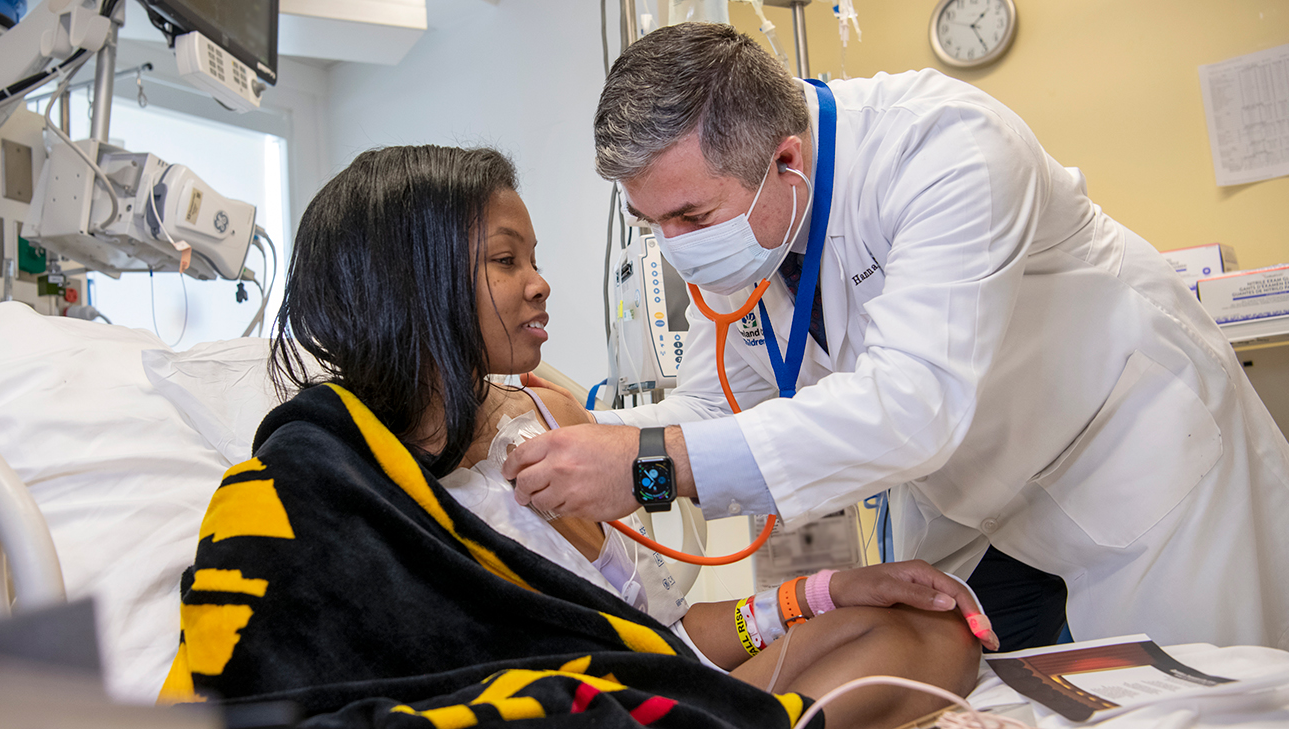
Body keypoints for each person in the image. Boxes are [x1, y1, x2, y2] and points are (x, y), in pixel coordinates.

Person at [504, 23, 1289, 653]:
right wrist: (569, 436)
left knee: (1196, 695)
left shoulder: (948, 149)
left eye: (690, 217)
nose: (676, 249)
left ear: (786, 161)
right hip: (971, 500)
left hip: (1126, 447)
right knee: (962, 687)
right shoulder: (747, 231)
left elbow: (912, 404)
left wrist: (647, 467)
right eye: (651, 222)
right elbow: (716, 408)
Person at [159, 144, 985, 729]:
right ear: (409, 284)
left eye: (534, 257)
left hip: (647, 694)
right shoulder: (313, 480)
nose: (540, 283)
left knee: (936, 634)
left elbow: (651, 638)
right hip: (558, 710)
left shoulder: (545, 424)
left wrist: (824, 593)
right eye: (505, 260)